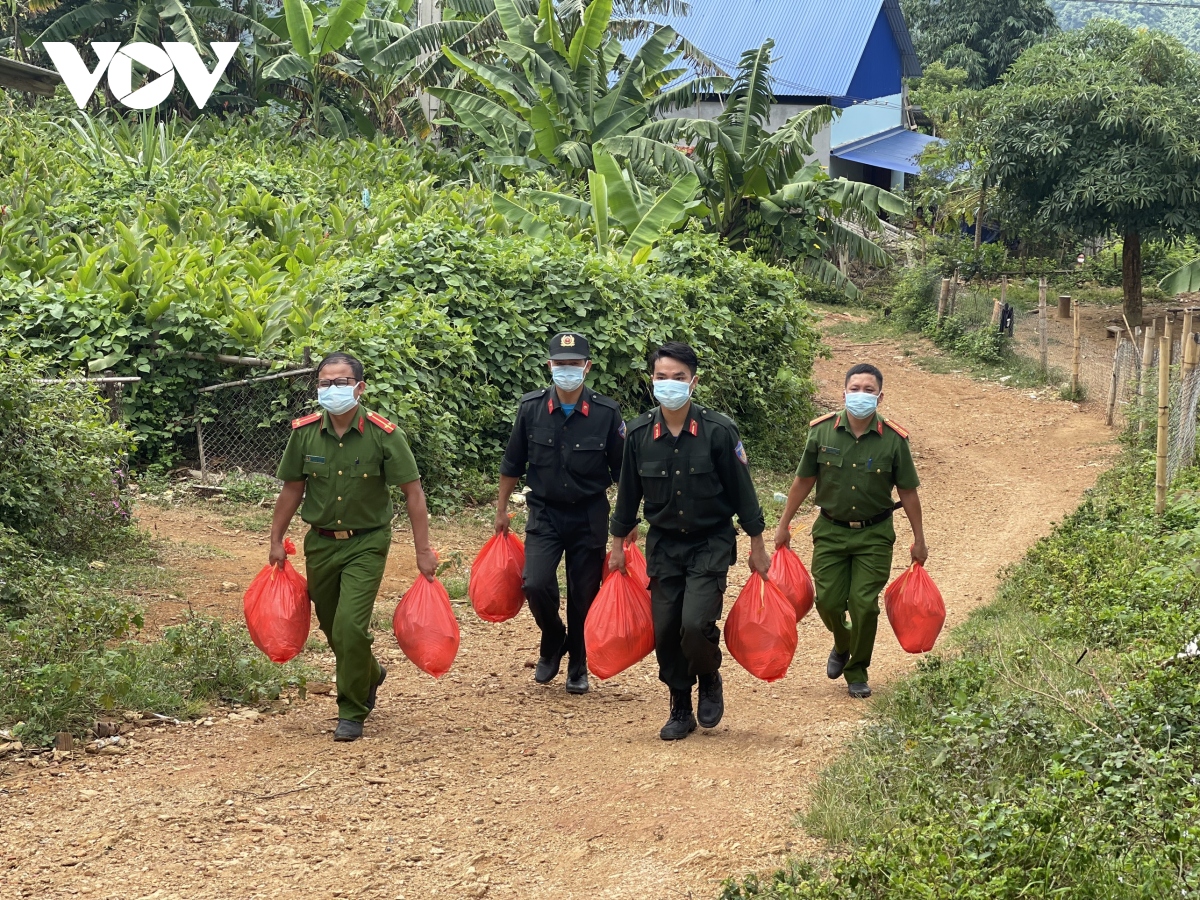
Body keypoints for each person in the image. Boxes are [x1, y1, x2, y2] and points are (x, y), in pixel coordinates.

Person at [270, 352, 437, 742]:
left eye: (341, 383)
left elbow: (413, 493)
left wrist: (422, 550)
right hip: (321, 543)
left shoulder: (384, 434)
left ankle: (352, 709)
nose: (333, 389)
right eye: (325, 383)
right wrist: (276, 540)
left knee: (349, 625)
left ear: (359, 388)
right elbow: (292, 488)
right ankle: (371, 672)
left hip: (367, 543)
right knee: (332, 627)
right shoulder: (305, 432)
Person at [608, 341, 770, 740]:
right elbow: (628, 494)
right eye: (662, 377)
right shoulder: (640, 433)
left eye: (678, 378)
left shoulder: (718, 431)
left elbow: (742, 491)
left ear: (693, 382)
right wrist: (616, 547)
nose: (669, 385)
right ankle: (679, 704)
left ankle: (708, 674)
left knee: (695, 624)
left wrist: (758, 543)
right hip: (664, 546)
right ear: (652, 381)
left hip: (709, 543)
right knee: (665, 629)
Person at [774, 363, 927, 699]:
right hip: (830, 531)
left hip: (874, 535)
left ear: (880, 396)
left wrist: (919, 538)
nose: (861, 395)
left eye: (868, 390)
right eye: (854, 388)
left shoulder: (894, 440)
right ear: (844, 393)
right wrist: (784, 525)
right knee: (828, 601)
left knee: (863, 604)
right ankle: (842, 643)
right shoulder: (822, 432)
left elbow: (908, 491)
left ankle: (857, 670)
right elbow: (803, 481)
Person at [496, 332, 625, 695]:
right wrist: (502, 508)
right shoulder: (531, 408)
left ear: (587, 367)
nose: (566, 370)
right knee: (534, 583)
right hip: (545, 513)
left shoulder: (606, 413)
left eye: (573, 364)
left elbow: (624, 474)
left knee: (584, 594)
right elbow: (512, 463)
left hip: (589, 514)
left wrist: (625, 524)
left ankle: (579, 664)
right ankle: (554, 637)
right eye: (559, 364)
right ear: (549, 366)